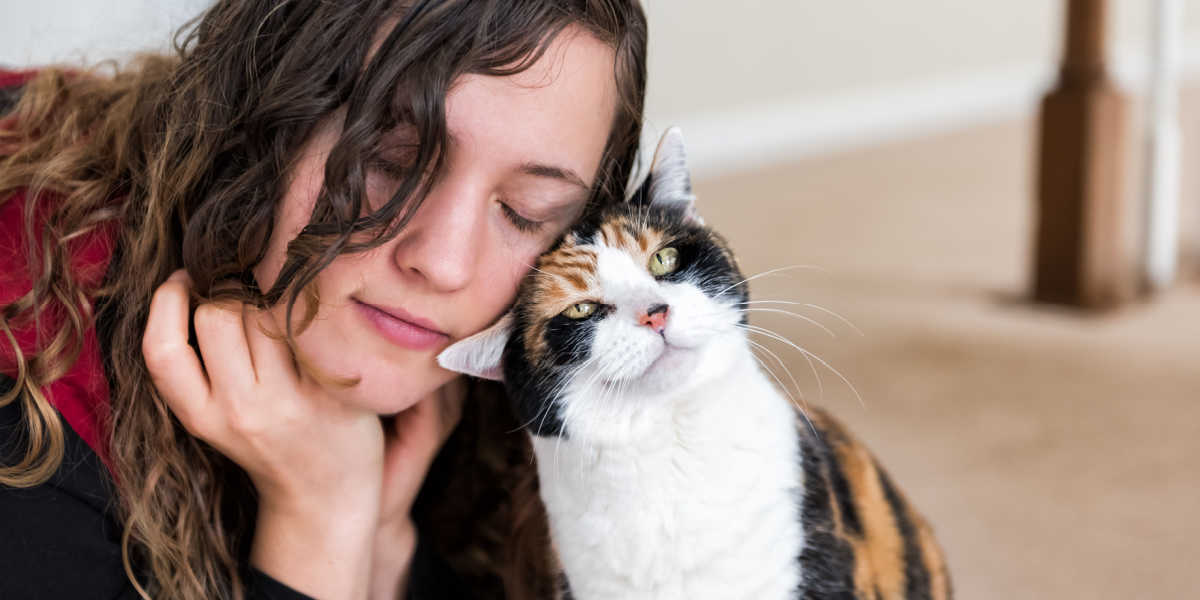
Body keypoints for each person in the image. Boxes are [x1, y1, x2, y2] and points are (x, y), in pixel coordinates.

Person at [0, 1, 648, 598]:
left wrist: (385, 545)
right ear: (264, 114)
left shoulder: (500, 372)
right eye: (393, 160)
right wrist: (322, 520)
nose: (445, 263)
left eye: (526, 213)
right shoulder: (25, 409)